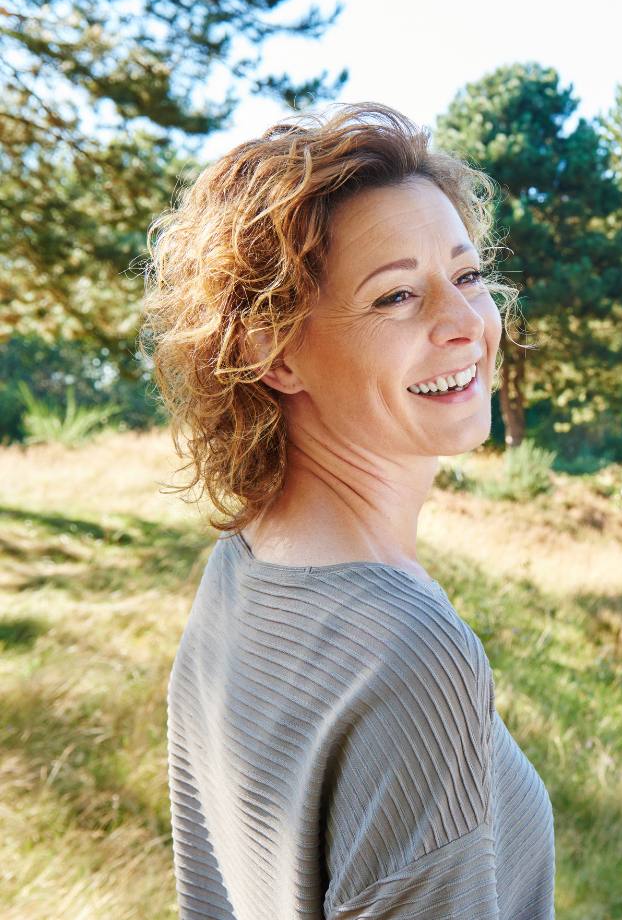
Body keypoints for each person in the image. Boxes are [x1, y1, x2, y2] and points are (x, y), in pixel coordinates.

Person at [140, 103, 556, 919]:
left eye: (468, 276)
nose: (467, 324)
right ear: (272, 350)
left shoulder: (245, 563)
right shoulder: (412, 654)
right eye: (397, 296)